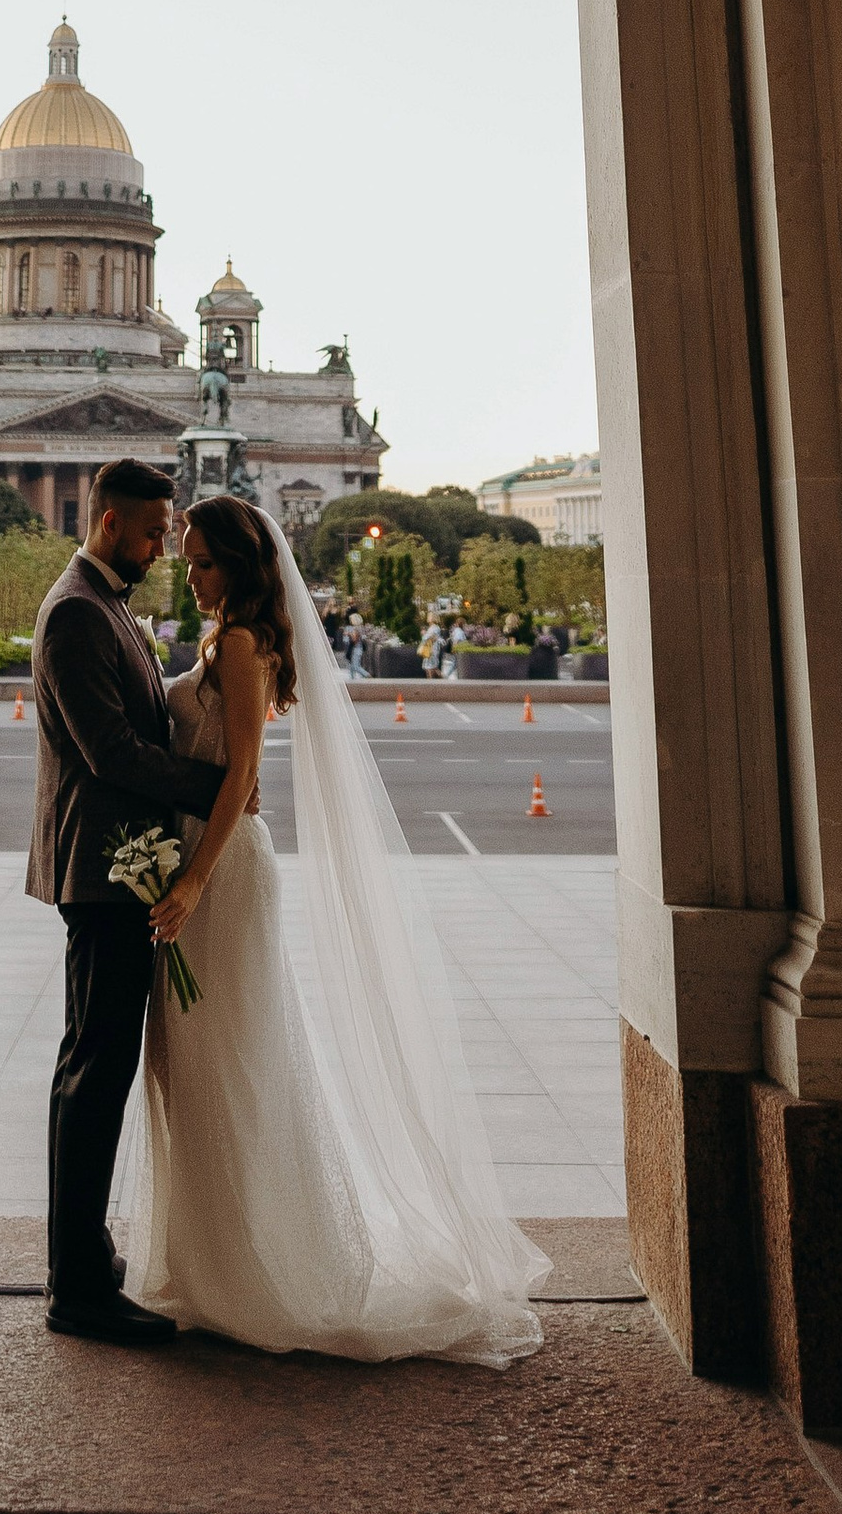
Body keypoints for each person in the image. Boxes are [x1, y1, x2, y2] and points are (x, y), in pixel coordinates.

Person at [134, 495, 545, 1368]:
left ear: (240, 567)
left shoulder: (241, 645)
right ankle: (214, 1257)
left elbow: (243, 771)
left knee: (227, 1061)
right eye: (189, 559)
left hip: (221, 872)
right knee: (196, 1059)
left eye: (203, 562)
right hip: (207, 860)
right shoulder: (226, 638)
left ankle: (248, 1268)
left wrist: (193, 883)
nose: (191, 574)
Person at [26, 458, 227, 1346]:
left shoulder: (104, 604)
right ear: (110, 523)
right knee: (93, 1074)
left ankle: (87, 1252)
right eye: (153, 533)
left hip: (122, 866)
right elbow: (107, 750)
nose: (163, 548)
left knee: (98, 1068)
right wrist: (215, 781)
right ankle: (76, 1287)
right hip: (103, 868)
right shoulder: (78, 609)